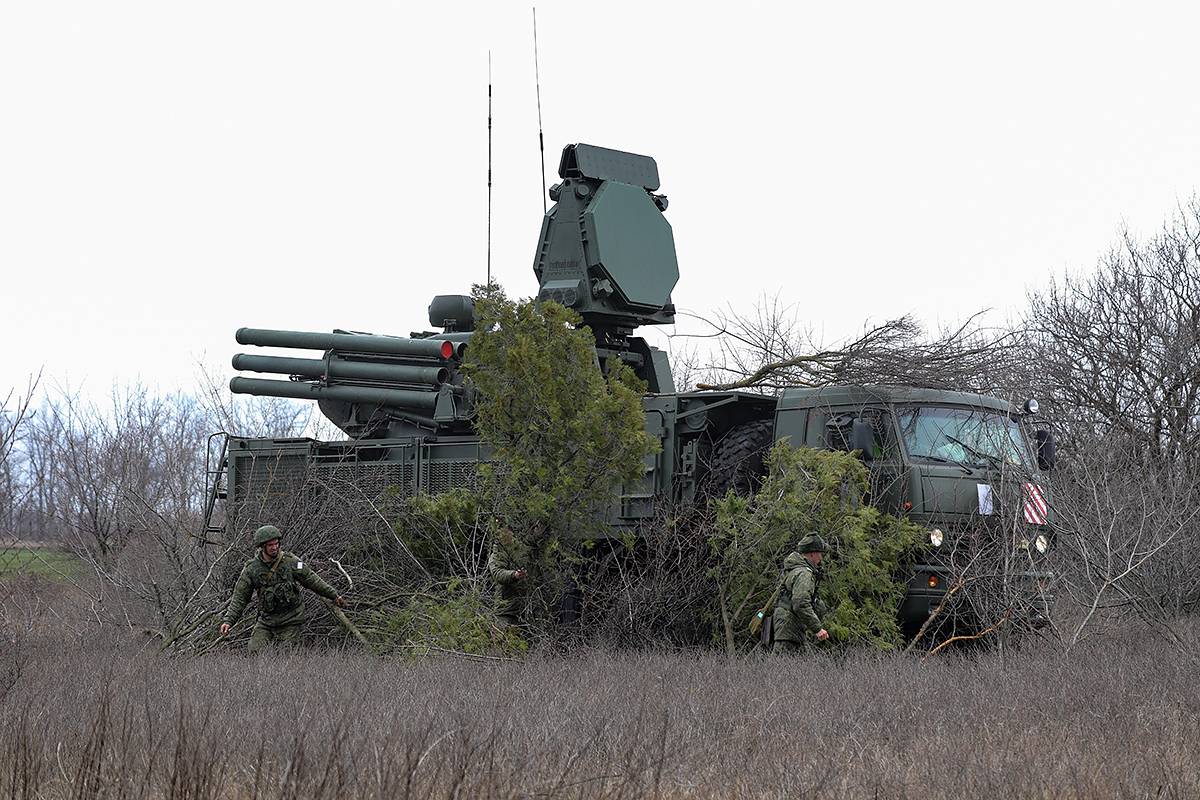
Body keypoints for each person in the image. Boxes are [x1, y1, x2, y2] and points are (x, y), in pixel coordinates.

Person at [219, 524, 346, 653]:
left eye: (276, 544)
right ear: (262, 547)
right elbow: (240, 598)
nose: (274, 547)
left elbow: (312, 580)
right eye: (270, 545)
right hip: (266, 621)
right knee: (254, 651)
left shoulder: (291, 561)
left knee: (286, 655)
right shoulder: (251, 569)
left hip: (291, 619)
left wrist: (333, 595)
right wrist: (228, 621)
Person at [771, 532, 830, 654]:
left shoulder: (794, 569)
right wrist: (817, 629)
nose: (821, 558)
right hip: (788, 629)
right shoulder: (804, 574)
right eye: (820, 554)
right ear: (812, 554)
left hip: (789, 627)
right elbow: (801, 603)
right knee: (780, 668)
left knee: (798, 667)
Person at [487, 526, 529, 627]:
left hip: (526, 607)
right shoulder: (497, 555)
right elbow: (498, 573)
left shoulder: (521, 550)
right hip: (506, 610)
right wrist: (514, 575)